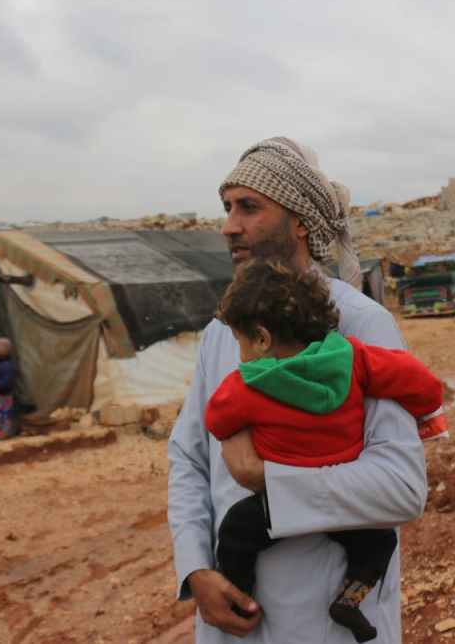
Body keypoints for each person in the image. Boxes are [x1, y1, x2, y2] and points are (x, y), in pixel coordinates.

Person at [168, 137, 429, 643]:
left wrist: (268, 480)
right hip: (233, 621)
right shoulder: (223, 331)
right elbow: (187, 456)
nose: (229, 226)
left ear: (301, 221)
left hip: (322, 622)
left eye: (249, 207)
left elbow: (402, 487)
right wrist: (196, 568)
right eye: (227, 208)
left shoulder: (359, 323)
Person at [205, 260, 445, 642]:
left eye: (240, 342)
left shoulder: (247, 384)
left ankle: (240, 597)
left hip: (278, 497)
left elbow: (216, 419)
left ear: (262, 339)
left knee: (236, 531)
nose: (239, 353)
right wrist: (427, 407)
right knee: (380, 541)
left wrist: (233, 432)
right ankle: (351, 599)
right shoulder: (352, 357)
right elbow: (415, 379)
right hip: (344, 497)